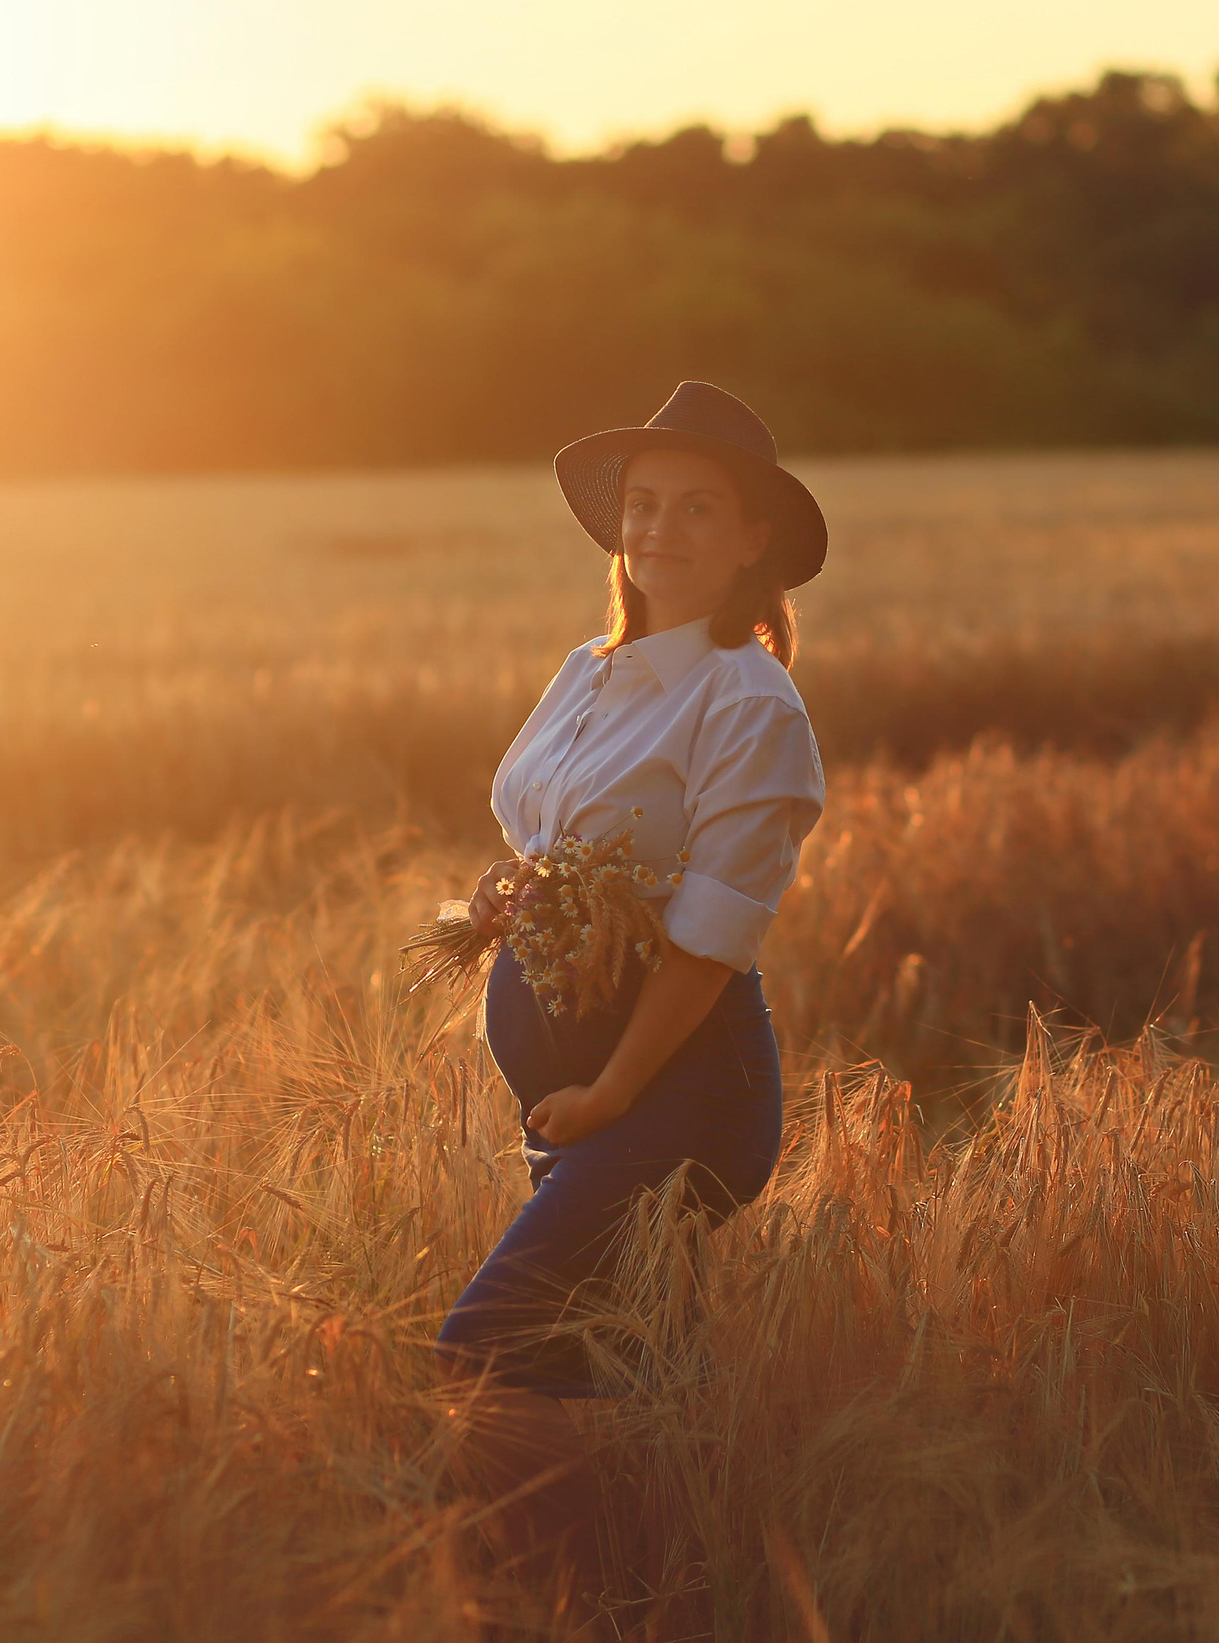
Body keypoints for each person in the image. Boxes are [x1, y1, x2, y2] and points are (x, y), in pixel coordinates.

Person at [437, 381, 829, 1609]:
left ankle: (570, 1608)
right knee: (612, 1371)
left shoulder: (750, 701)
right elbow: (539, 832)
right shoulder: (588, 670)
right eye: (643, 505)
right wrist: (506, 893)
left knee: (486, 1347)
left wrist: (610, 1087)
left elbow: (713, 936)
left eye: (696, 509)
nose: (657, 529)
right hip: (584, 1097)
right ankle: (674, 1596)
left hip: (672, 1095)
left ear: (752, 535)